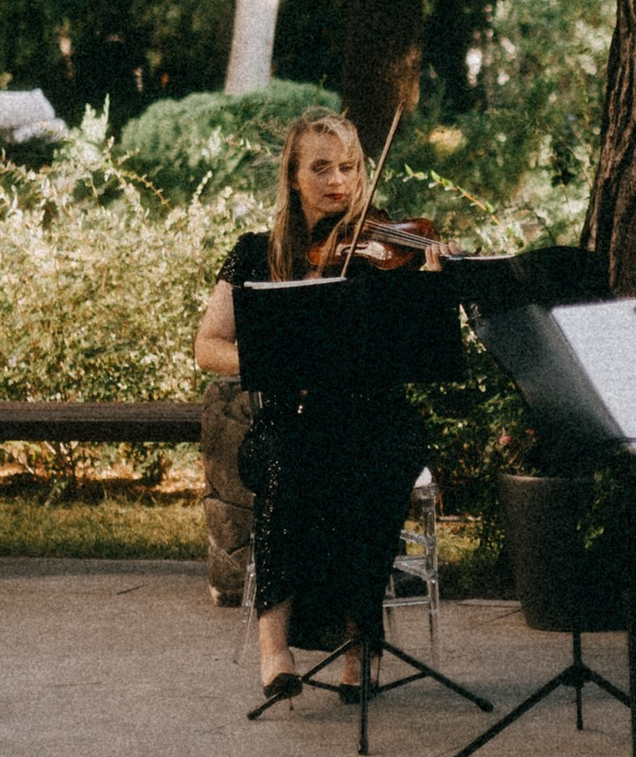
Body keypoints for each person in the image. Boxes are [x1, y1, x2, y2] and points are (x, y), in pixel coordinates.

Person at [193, 111, 461, 705]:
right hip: (288, 422)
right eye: (320, 168)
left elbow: (419, 344)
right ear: (292, 177)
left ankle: (362, 645)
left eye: (348, 166)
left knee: (377, 459)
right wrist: (271, 361)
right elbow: (208, 345)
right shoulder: (256, 254)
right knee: (291, 458)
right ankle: (275, 647)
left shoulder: (388, 249)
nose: (338, 180)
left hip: (375, 417)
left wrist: (434, 282)